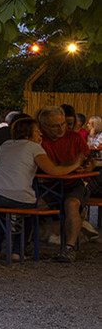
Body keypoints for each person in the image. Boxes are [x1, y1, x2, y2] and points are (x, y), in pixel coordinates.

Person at [0, 116, 81, 261]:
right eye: (37, 131)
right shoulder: (34, 147)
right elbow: (53, 170)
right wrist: (76, 163)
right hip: (16, 195)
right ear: (27, 134)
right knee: (28, 214)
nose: (41, 134)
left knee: (0, 212)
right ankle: (17, 251)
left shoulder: (6, 144)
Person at [36, 105, 93, 262]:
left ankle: (69, 248)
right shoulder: (39, 141)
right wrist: (74, 165)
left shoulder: (74, 138)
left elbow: (89, 160)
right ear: (44, 126)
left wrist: (88, 166)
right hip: (47, 184)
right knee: (31, 205)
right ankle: (20, 244)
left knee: (72, 205)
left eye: (62, 124)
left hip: (72, 184)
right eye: (55, 126)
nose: (61, 128)